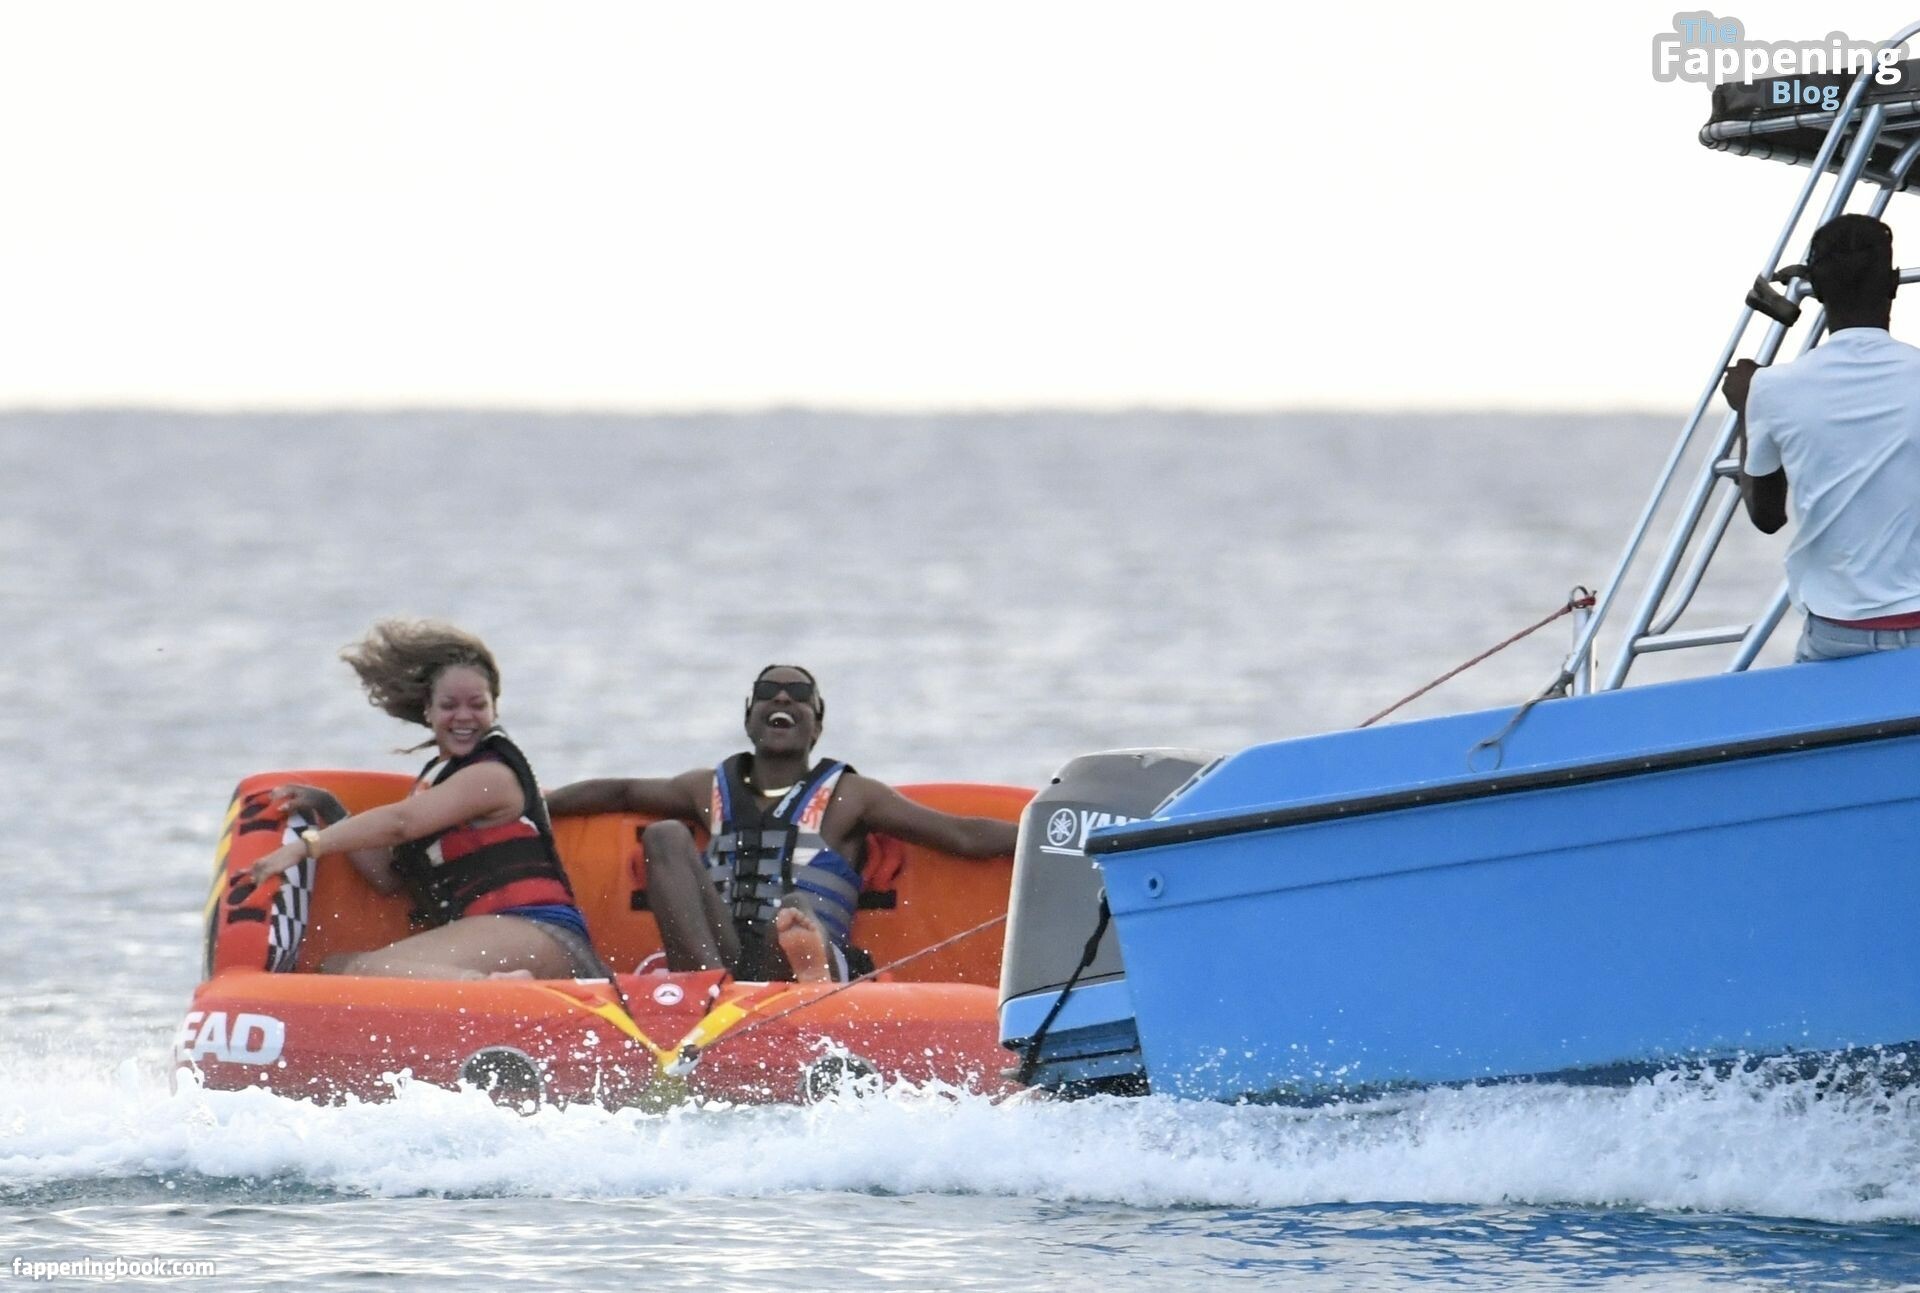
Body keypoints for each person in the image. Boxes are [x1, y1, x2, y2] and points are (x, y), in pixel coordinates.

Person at [546, 664, 1019, 983]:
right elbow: (621, 792)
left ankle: (806, 980)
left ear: (817, 725)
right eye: (767, 693)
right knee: (664, 835)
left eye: (800, 696)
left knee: (791, 910)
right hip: (722, 955)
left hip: (799, 957)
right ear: (749, 719)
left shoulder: (851, 796)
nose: (783, 699)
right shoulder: (706, 789)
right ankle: (708, 992)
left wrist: (1044, 838)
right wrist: (539, 806)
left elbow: (962, 835)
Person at [247, 619, 603, 981]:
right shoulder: (436, 785)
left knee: (363, 970)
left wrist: (306, 847)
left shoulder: (491, 777)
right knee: (335, 968)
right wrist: (330, 809)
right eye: (449, 705)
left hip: (544, 935)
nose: (463, 716)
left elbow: (401, 823)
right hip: (499, 935)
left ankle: (501, 993)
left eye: (477, 705)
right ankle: (490, 991)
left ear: (494, 709)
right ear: (427, 711)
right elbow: (388, 878)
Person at [1725, 214, 1920, 662]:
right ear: (1893, 284)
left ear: (1814, 289)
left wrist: (1745, 409)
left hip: (1837, 635)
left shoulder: (1771, 389)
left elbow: (1767, 516)